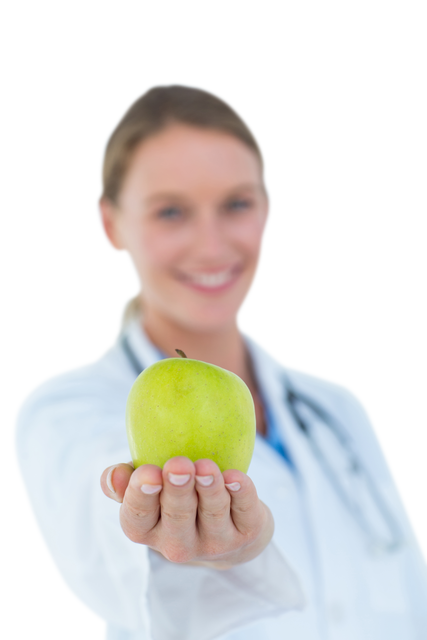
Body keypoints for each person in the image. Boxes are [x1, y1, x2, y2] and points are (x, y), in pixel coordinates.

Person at [10, 80, 427, 640]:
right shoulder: (64, 408)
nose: (211, 245)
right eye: (171, 211)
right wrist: (213, 551)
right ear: (110, 223)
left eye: (235, 204)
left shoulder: (339, 407)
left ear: (268, 208)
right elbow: (101, 537)